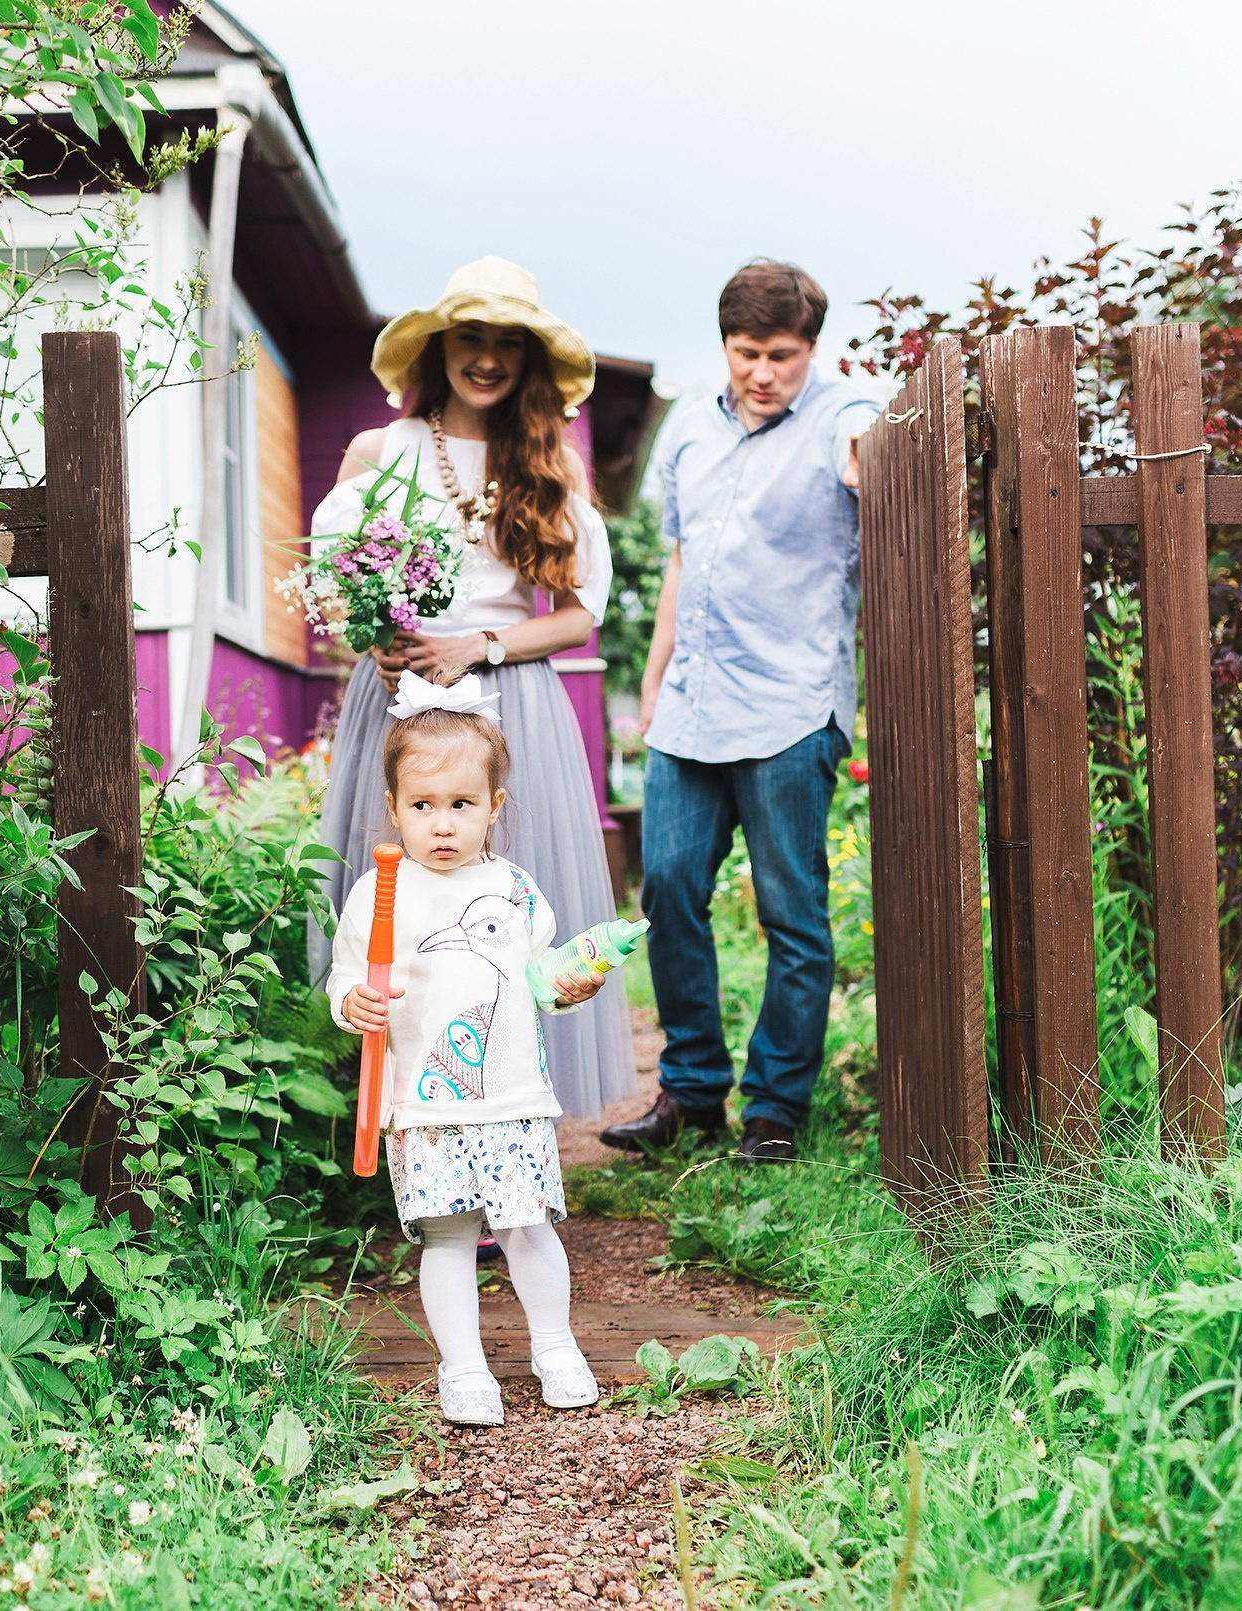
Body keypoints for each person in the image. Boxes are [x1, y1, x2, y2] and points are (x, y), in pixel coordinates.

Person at [308, 256, 633, 1123]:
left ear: (529, 361)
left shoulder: (550, 465)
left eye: (507, 344)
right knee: (404, 904)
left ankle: (514, 1116)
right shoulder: (384, 452)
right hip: (402, 700)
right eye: (470, 338)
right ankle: (411, 1117)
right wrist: (375, 633)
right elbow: (334, 579)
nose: (486, 358)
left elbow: (576, 617)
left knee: (505, 907)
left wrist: (477, 645)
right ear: (439, 345)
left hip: (512, 699)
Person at [601, 261, 877, 1165]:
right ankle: (691, 1092)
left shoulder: (842, 415)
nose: (763, 373)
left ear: (811, 350)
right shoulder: (690, 428)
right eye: (748, 352)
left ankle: (774, 1110)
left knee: (788, 906)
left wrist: (864, 458)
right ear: (725, 344)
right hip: (692, 702)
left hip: (792, 703)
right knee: (671, 888)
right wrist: (653, 677)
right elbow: (682, 560)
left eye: (783, 355)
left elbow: (869, 454)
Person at [328, 679, 607, 1425]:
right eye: (422, 806)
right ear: (393, 808)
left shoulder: (516, 890)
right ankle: (465, 1366)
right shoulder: (379, 894)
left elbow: (540, 977)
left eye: (462, 804)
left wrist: (566, 985)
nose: (442, 824)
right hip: (423, 1100)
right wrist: (352, 1003)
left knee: (526, 1225)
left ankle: (555, 1345)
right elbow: (349, 979)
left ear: (494, 806)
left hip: (511, 1093)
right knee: (447, 1236)